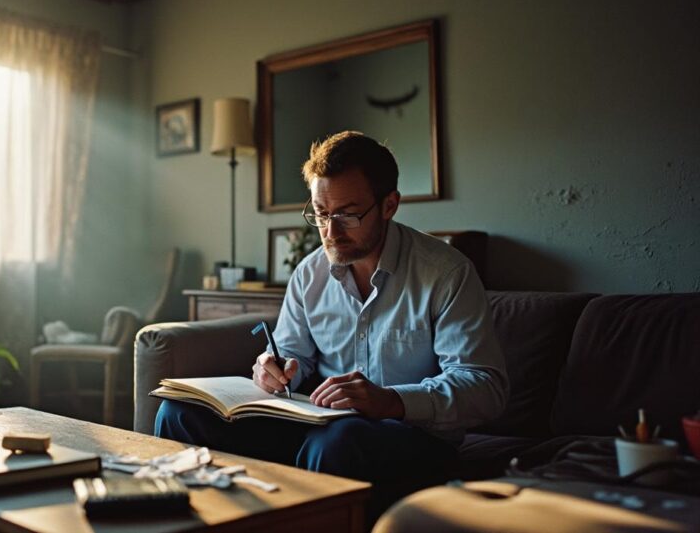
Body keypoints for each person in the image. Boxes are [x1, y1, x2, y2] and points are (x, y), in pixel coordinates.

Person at [155, 131, 509, 521]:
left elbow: (485, 387)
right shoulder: (310, 273)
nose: (331, 231)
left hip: (413, 438)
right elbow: (293, 355)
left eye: (348, 214)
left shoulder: (446, 272)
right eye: (321, 214)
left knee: (338, 442)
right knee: (178, 413)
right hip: (321, 426)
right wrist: (276, 367)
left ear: (389, 205)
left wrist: (392, 400)